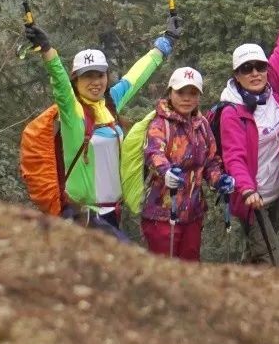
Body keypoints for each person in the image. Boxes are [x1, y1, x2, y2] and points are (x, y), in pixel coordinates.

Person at [23, 19, 177, 232]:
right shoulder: (72, 111)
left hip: (113, 213)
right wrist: (48, 51)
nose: (95, 82)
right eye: (87, 76)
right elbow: (59, 82)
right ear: (76, 81)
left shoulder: (110, 103)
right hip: (82, 216)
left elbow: (135, 77)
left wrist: (163, 45)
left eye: (100, 75)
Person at [217, 0, 279, 266]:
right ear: (236, 76)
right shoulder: (232, 112)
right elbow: (234, 157)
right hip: (251, 199)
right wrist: (246, 189)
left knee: (255, 257)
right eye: (247, 69)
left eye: (259, 66)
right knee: (274, 260)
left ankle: (234, 302)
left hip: (275, 194)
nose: (255, 73)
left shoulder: (272, 86)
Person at [140, 65, 234, 260]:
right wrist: (166, 172)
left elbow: (211, 162)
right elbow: (153, 154)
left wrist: (219, 180)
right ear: (170, 92)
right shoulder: (160, 124)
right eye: (181, 92)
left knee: (190, 269)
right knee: (165, 272)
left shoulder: (202, 125)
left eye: (192, 93)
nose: (186, 98)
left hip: (193, 212)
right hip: (162, 213)